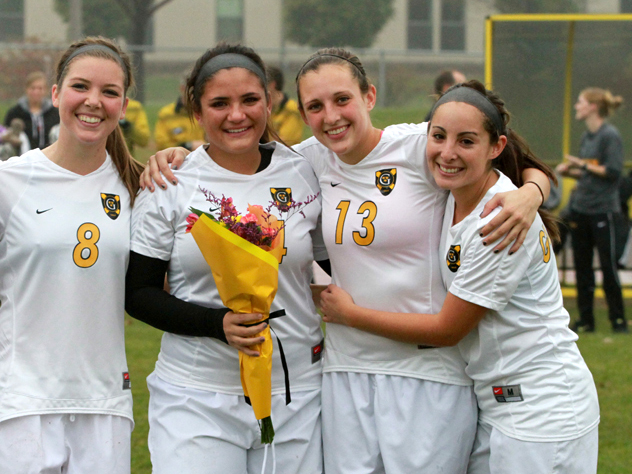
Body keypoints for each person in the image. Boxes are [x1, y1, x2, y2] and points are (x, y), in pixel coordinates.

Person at [141, 47, 550, 474]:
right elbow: (235, 164)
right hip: (342, 371)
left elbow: (510, 158)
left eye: (342, 99)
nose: (331, 116)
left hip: (427, 372)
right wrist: (174, 156)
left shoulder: (419, 144)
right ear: (301, 113)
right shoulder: (305, 161)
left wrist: (532, 193)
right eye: (315, 106)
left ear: (369, 96)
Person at [320, 81, 599, 474]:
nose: (447, 153)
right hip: (498, 404)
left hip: (542, 408)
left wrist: (350, 314)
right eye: (438, 137)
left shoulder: (497, 222)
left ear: (496, 148)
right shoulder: (457, 193)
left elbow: (446, 330)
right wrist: (534, 187)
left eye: (466, 142)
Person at [126, 43, 326, 473]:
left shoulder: (306, 169)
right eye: (219, 103)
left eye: (250, 100)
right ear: (196, 112)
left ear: (269, 103)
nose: (237, 115)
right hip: (197, 396)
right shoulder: (170, 183)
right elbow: (138, 292)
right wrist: (215, 325)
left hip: (296, 391)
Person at [0, 36, 142, 473]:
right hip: (18, 398)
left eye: (109, 92)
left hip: (103, 400)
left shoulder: (139, 189)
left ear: (123, 105)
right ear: (55, 94)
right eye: (80, 87)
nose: (94, 101)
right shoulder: (5, 180)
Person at [555, 87, 627, 333]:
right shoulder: (587, 137)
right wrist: (571, 172)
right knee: (583, 269)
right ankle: (586, 321)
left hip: (603, 211)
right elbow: (589, 173)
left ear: (593, 107)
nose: (577, 106)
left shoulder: (610, 136)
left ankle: (618, 321)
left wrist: (581, 164)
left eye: (580, 102)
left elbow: (613, 172)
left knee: (608, 268)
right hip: (581, 210)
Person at [3, 71, 60, 149]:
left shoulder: (55, 113)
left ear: (46, 90)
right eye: (33, 88)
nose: (36, 92)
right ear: (26, 89)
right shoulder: (15, 113)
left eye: (40, 88)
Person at [153, 76, 206, 151]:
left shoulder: (207, 112)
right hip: (177, 161)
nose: (194, 93)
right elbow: (161, 145)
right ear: (182, 88)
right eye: (191, 89)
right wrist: (187, 146)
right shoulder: (166, 113)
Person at [267, 65, 305, 146]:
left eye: (262, 83)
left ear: (272, 84)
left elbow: (283, 143)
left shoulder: (292, 109)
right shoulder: (265, 109)